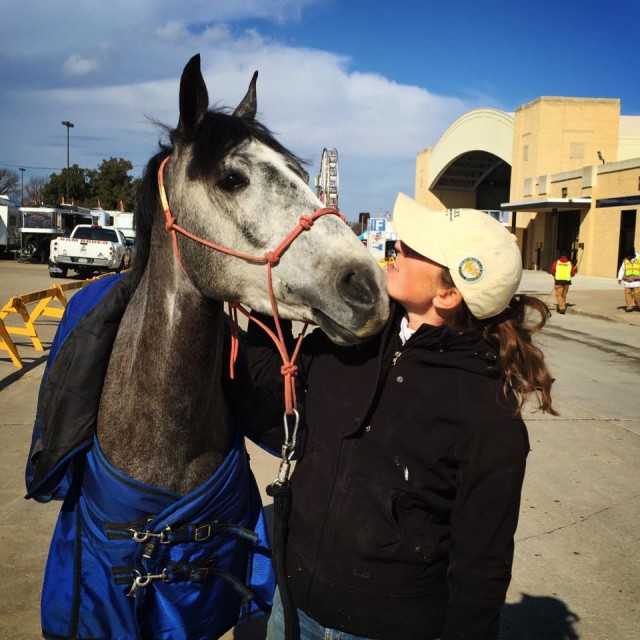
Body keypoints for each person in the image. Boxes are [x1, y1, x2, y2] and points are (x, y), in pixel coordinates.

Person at [248, 193, 557, 640]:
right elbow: (268, 374)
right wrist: (250, 288)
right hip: (291, 605)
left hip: (386, 628)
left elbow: (482, 564)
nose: (397, 249)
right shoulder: (350, 340)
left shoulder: (488, 414)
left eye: (413, 250)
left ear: (449, 293)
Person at [617, 246, 640, 312]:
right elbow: (622, 269)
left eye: (630, 256)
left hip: (636, 281)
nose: (628, 257)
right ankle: (629, 307)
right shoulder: (625, 260)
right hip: (627, 281)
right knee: (628, 294)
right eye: (627, 256)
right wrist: (619, 278)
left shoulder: (639, 258)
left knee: (637, 294)